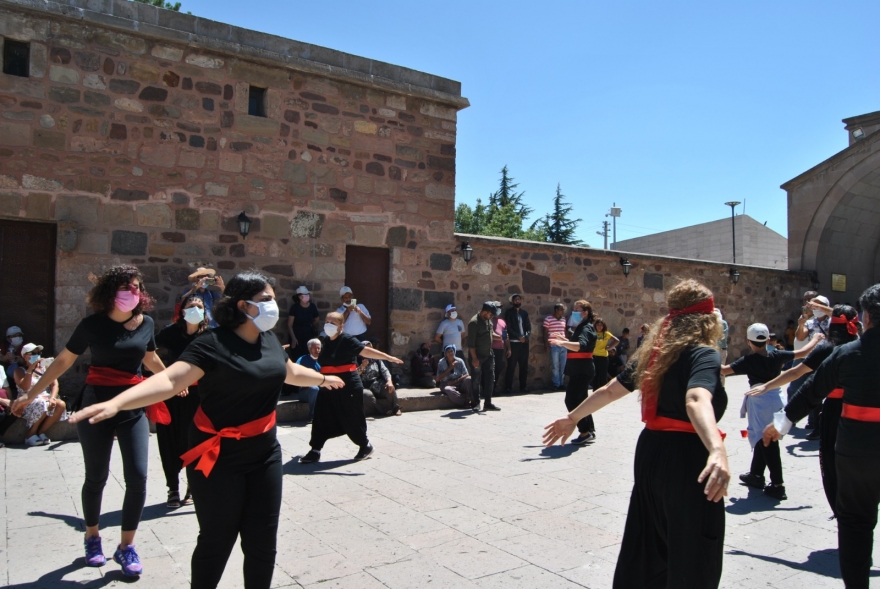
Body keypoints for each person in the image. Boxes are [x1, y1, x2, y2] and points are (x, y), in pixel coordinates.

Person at [69, 272, 344, 589]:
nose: (274, 306)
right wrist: (118, 403)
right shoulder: (211, 344)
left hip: (264, 454)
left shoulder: (269, 340)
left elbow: (291, 372)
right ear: (244, 305)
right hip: (216, 457)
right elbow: (171, 380)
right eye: (267, 300)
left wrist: (323, 380)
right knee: (217, 540)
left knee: (262, 541)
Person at [545, 279, 730, 589]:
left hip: (651, 453)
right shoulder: (702, 354)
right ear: (707, 321)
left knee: (649, 539)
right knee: (694, 546)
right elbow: (696, 399)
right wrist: (717, 449)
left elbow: (609, 390)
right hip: (687, 457)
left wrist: (573, 417)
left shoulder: (654, 353)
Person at [13, 265, 166, 576]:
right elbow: (63, 361)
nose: (133, 293)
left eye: (137, 287)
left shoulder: (146, 323)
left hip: (132, 407)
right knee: (96, 476)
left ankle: (126, 547)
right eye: (127, 288)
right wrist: (30, 395)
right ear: (110, 293)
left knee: (137, 477)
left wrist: (175, 381)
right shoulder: (91, 325)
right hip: (95, 405)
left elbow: (150, 359)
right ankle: (92, 537)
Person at [762, 284, 880, 589]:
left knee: (855, 523)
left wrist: (780, 423)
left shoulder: (846, 353)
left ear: (866, 317)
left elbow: (811, 391)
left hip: (856, 452)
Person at [746, 305, 858, 515]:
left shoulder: (828, 348)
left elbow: (796, 373)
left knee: (832, 462)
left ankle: (841, 509)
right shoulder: (861, 346)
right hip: (861, 412)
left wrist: (768, 385)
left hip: (834, 410)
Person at [721, 323, 820, 500]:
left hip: (759, 402)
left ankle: (777, 484)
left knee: (768, 441)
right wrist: (815, 339)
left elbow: (723, 371)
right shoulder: (777, 355)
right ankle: (756, 475)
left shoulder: (748, 361)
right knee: (763, 437)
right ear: (767, 340)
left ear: (748, 341)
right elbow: (803, 353)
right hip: (777, 399)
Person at [301, 312, 402, 463]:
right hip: (327, 387)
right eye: (327, 321)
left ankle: (365, 445)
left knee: (351, 418)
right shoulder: (325, 341)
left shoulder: (347, 340)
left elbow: (366, 351)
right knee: (320, 417)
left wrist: (387, 357)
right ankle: (315, 449)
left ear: (341, 326)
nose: (328, 325)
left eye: (333, 323)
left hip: (348, 387)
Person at [154, 295, 206, 508]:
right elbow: (149, 351)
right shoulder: (170, 332)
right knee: (170, 442)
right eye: (191, 306)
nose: (195, 309)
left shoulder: (209, 336)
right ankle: (173, 488)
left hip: (199, 397)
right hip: (173, 394)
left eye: (200, 306)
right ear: (182, 310)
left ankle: (192, 487)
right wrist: (168, 377)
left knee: (195, 441)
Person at [549, 299, 597, 446]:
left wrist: (563, 343)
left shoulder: (586, 328)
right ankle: (589, 430)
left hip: (581, 370)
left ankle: (584, 432)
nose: (573, 312)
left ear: (585, 312)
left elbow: (580, 346)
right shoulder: (582, 327)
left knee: (571, 400)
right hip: (581, 369)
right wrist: (565, 339)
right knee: (582, 401)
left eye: (577, 310)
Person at [13, 343, 66, 447]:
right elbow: (25, 387)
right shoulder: (19, 371)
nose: (36, 355)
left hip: (45, 397)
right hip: (27, 401)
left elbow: (55, 384)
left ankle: (41, 431)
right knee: (42, 403)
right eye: (32, 353)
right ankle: (30, 434)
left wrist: (52, 397)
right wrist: (30, 370)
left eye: (38, 352)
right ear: (25, 356)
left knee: (60, 404)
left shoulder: (45, 369)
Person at [468, 302, 500, 412]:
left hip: (488, 354)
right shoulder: (474, 323)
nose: (492, 317)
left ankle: (488, 403)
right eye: (491, 314)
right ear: (484, 312)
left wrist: (498, 336)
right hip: (477, 356)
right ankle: (476, 403)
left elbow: (489, 333)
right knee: (476, 380)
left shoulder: (487, 320)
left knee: (490, 379)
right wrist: (474, 359)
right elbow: (471, 344)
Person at [359, 341, 401, 417]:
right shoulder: (357, 359)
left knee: (389, 387)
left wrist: (389, 381)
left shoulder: (376, 359)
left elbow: (385, 370)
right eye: (367, 349)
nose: (369, 351)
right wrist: (362, 366)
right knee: (366, 395)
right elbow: (354, 375)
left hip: (376, 383)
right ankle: (382, 410)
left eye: (370, 348)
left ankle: (396, 407)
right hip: (363, 385)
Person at [503, 294, 531, 394]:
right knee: (511, 366)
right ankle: (508, 387)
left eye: (519, 299)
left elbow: (528, 327)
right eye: (516, 300)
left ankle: (523, 387)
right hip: (514, 343)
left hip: (524, 344)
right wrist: (518, 336)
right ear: (512, 301)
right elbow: (509, 328)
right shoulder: (509, 313)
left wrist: (526, 337)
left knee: (524, 366)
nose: (517, 301)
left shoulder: (524, 313)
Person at [287, 285, 319, 362]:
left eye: (307, 295)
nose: (307, 296)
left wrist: (310, 327)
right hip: (297, 336)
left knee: (308, 357)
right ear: (299, 297)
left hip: (309, 335)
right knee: (297, 357)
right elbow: (289, 324)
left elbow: (316, 319)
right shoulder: (295, 308)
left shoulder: (312, 306)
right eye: (305, 295)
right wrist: (293, 338)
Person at [296, 339, 322, 423]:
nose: (317, 350)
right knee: (314, 389)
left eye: (319, 348)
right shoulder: (302, 360)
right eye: (315, 348)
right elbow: (296, 373)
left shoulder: (323, 360)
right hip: (306, 392)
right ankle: (312, 415)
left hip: (321, 389)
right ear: (309, 349)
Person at [543, 303, 568, 390]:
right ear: (556, 310)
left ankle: (562, 383)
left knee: (563, 365)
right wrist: (546, 345)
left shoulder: (564, 319)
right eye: (561, 309)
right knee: (555, 366)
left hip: (563, 345)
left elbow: (564, 331)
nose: (563, 311)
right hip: (554, 345)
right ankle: (556, 384)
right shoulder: (548, 319)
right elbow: (545, 332)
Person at [591, 318, 619, 391]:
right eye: (598, 325)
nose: (599, 327)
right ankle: (595, 391)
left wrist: (610, 347)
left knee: (603, 375)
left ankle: (604, 392)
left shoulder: (606, 333)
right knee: (595, 375)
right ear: (595, 325)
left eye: (601, 325)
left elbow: (617, 341)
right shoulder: (592, 332)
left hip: (603, 357)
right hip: (594, 356)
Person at [490, 302, 509, 389]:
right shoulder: (490, 320)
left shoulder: (503, 321)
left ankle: (494, 387)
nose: (499, 309)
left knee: (498, 368)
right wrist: (500, 337)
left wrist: (509, 348)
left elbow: (506, 336)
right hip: (491, 349)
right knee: (490, 369)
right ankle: (489, 388)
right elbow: (491, 334)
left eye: (500, 307)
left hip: (500, 349)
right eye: (497, 307)